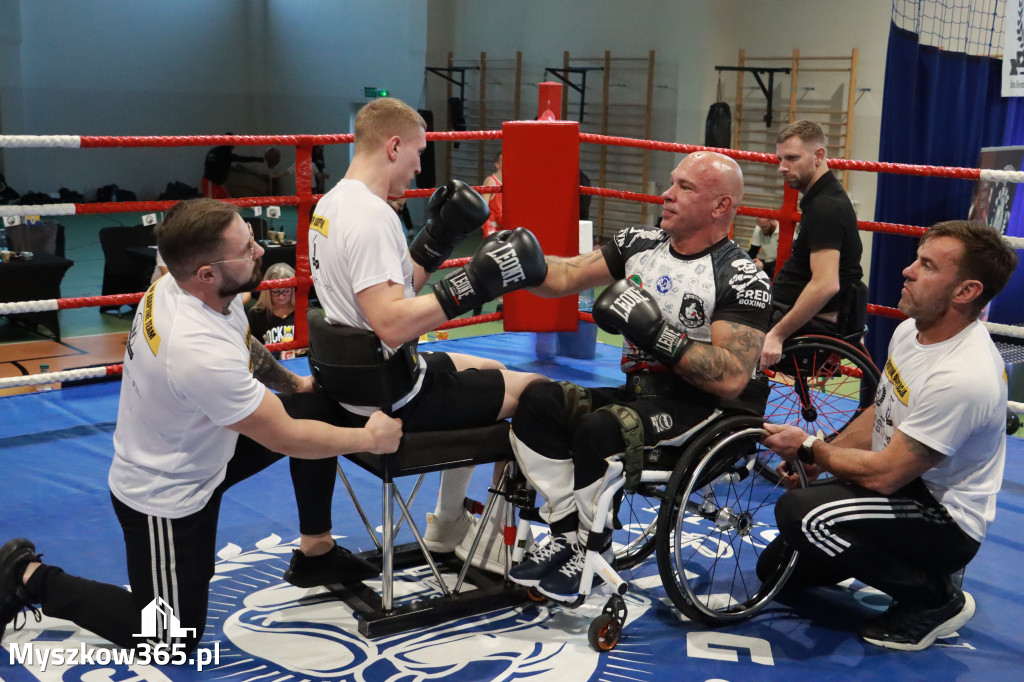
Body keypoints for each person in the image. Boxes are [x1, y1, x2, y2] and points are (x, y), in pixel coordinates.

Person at [0, 198, 403, 653]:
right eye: (245, 249)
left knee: (313, 406)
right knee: (171, 636)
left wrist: (293, 383)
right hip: (166, 494)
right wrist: (371, 438)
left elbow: (243, 343)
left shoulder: (188, 283)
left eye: (250, 237)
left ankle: (317, 551)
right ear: (207, 274)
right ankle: (28, 578)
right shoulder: (195, 349)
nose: (258, 251)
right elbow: (284, 437)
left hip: (207, 449)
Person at [508, 151, 773, 601]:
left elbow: (730, 377)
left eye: (685, 188)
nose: (666, 195)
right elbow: (567, 274)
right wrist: (519, 266)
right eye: (672, 183)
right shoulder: (640, 243)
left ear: (721, 206)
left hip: (704, 409)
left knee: (601, 428)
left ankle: (597, 547)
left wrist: (655, 333)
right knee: (539, 402)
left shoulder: (741, 276)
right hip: (639, 393)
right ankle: (567, 534)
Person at [308, 97, 549, 572]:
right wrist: (475, 283)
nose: (421, 167)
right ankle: (495, 540)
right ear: (394, 146)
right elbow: (392, 322)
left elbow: (390, 292)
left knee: (493, 370)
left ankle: (447, 522)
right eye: (418, 153)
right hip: (396, 393)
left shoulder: (332, 204)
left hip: (356, 381)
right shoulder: (373, 217)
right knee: (535, 394)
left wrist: (439, 239)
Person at [758, 220, 1017, 651]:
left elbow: (885, 476)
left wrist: (809, 446)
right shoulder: (910, 331)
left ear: (966, 291)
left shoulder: (964, 374)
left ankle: (936, 599)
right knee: (777, 569)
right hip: (905, 488)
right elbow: (883, 409)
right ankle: (890, 561)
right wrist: (820, 456)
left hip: (942, 519)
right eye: (917, 258)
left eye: (928, 265)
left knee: (804, 514)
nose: (907, 270)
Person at [759, 120, 864, 369]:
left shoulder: (825, 207)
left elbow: (825, 284)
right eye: (780, 159)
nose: (782, 168)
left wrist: (777, 335)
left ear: (819, 156)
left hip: (805, 322)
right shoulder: (820, 200)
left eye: (792, 158)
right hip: (787, 307)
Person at [247, 262, 303, 359]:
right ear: (267, 291)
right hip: (269, 368)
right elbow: (251, 350)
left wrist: (304, 348)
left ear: (293, 290)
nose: (281, 297)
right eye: (276, 292)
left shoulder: (304, 310)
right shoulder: (256, 315)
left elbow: (316, 344)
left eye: (286, 291)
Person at [201, 138, 269, 199]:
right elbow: (242, 159)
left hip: (216, 183)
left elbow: (206, 164)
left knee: (228, 201)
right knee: (211, 205)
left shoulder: (215, 150)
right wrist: (259, 159)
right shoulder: (225, 154)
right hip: (210, 183)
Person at [482, 150, 503, 237]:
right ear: (497, 164)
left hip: (506, 227)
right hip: (493, 229)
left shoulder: (511, 182)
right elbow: (483, 207)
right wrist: (487, 226)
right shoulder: (491, 182)